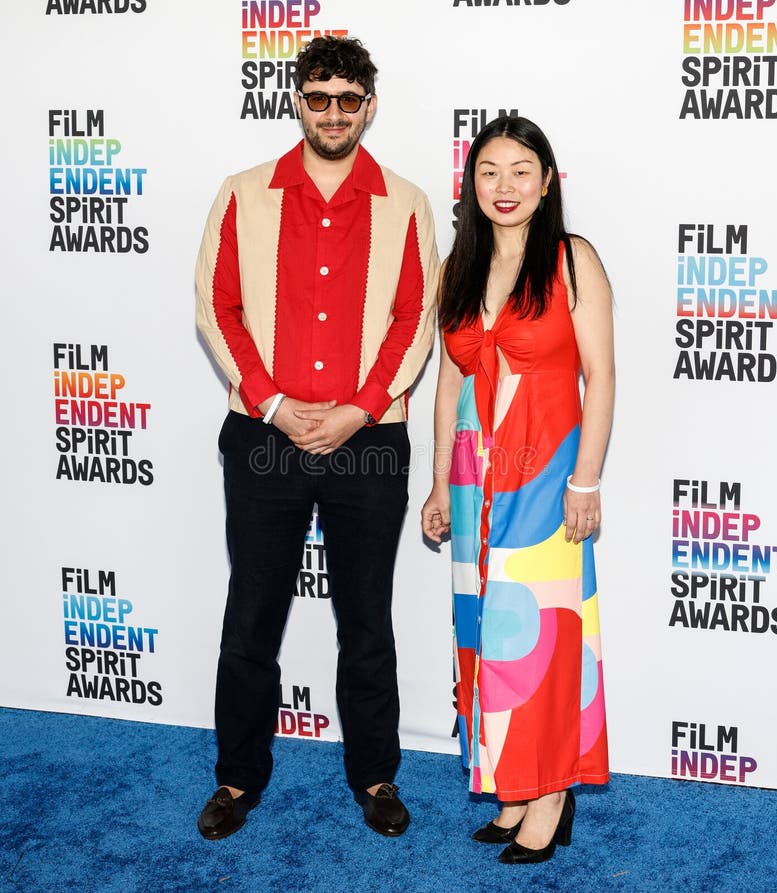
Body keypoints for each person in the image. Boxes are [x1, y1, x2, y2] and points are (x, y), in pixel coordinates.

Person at [195, 35, 439, 841]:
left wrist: (360, 407)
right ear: (296, 100)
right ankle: (237, 777)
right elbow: (216, 307)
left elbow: (417, 317)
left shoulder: (404, 202)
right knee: (252, 611)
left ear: (368, 105)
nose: (332, 112)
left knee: (366, 615)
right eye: (318, 96)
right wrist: (271, 402)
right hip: (263, 435)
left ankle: (376, 774)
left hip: (369, 440)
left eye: (348, 98)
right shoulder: (242, 193)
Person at [421, 116, 614, 865]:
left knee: (541, 635)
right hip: (475, 478)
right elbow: (449, 382)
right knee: (485, 632)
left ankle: (551, 790)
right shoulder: (458, 270)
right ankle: (511, 782)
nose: (505, 186)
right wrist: (439, 481)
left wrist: (585, 477)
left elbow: (600, 375)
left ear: (547, 181)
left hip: (545, 471)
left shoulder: (571, 260)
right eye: (490, 171)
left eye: (521, 170)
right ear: (470, 183)